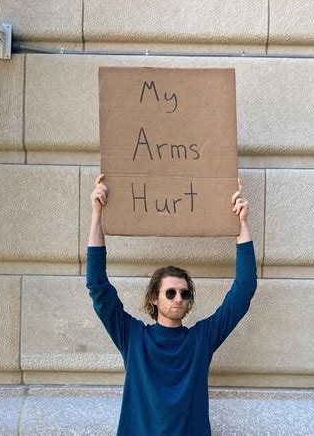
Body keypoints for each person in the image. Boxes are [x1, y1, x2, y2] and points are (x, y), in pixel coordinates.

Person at [86, 174, 257, 436]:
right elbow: (98, 287)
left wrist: (242, 224)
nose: (178, 298)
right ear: (154, 298)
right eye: (170, 293)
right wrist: (97, 215)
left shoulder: (201, 339)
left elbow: (244, 291)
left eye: (185, 293)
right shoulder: (133, 337)